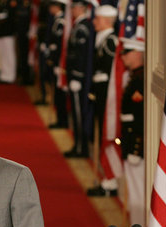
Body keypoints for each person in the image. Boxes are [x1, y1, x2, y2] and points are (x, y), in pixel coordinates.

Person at [86, 4, 119, 197]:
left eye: (97, 19)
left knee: (107, 135)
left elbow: (109, 73)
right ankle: (105, 178)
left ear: (106, 21)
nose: (94, 22)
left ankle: (109, 182)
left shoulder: (111, 42)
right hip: (100, 95)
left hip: (108, 97)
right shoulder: (103, 39)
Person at [119, 37, 145, 227]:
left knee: (138, 192)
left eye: (126, 53)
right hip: (128, 144)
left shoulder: (140, 80)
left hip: (135, 147)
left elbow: (140, 120)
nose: (123, 57)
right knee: (134, 190)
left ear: (137, 53)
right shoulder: (134, 77)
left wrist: (136, 149)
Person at [64, 0, 93, 158]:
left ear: (81, 8)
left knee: (79, 114)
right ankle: (78, 145)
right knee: (76, 114)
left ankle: (81, 148)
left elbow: (81, 55)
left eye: (74, 8)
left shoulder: (82, 28)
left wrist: (76, 76)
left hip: (78, 79)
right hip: (75, 77)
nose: (72, 11)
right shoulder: (78, 26)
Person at [46, 0, 69, 129]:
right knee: (57, 93)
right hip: (55, 61)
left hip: (59, 62)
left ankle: (62, 120)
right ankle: (60, 119)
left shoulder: (61, 21)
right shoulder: (56, 19)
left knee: (60, 94)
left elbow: (60, 45)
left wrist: (56, 62)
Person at [0, 0, 18, 84]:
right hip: (1, 31)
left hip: (8, 31)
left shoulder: (11, 2)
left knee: (9, 54)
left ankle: (10, 76)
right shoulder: (0, 2)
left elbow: (11, 16)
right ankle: (4, 75)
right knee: (3, 54)